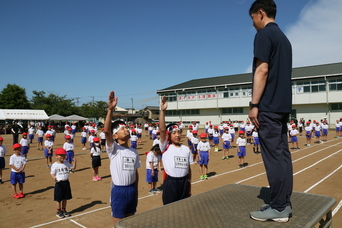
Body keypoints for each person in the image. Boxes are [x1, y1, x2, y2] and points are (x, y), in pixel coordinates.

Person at [248, 0, 293, 222]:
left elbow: (262, 70)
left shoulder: (264, 35)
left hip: (269, 106)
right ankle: (282, 201)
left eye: (253, 19)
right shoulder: (284, 38)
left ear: (261, 13)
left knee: (273, 158)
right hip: (283, 106)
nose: (254, 24)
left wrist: (254, 104)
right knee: (283, 155)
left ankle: (279, 207)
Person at [104, 91, 141, 225]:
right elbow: (106, 131)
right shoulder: (113, 149)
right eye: (122, 129)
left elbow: (135, 173)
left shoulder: (134, 152)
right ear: (115, 136)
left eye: (127, 128)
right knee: (118, 224)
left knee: (130, 222)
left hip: (131, 190)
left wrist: (136, 191)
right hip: (119, 190)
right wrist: (110, 109)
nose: (126, 130)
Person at [159, 95, 192, 205]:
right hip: (171, 182)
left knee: (183, 208)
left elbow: (188, 168)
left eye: (179, 132)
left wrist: (189, 184)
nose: (177, 135)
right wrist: (162, 111)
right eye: (174, 133)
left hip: (184, 182)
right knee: (169, 209)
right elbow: (162, 130)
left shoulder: (186, 149)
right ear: (169, 136)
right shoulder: (166, 147)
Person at [50, 148, 77, 218]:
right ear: (56, 156)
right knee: (58, 199)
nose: (62, 157)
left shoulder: (66, 163)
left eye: (63, 155)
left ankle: (64, 210)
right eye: (60, 155)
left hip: (66, 182)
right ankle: (58, 211)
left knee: (65, 198)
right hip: (59, 183)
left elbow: (73, 168)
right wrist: (54, 178)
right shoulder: (55, 165)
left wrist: (75, 162)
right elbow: (52, 173)